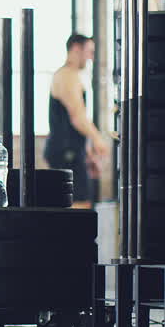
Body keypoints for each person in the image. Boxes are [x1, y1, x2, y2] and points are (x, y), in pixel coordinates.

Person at [44, 34, 111, 209]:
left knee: (82, 203)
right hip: (66, 151)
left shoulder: (72, 75)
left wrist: (87, 152)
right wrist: (97, 139)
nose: (91, 57)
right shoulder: (67, 75)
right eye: (89, 51)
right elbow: (77, 117)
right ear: (75, 48)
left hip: (72, 150)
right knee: (78, 205)